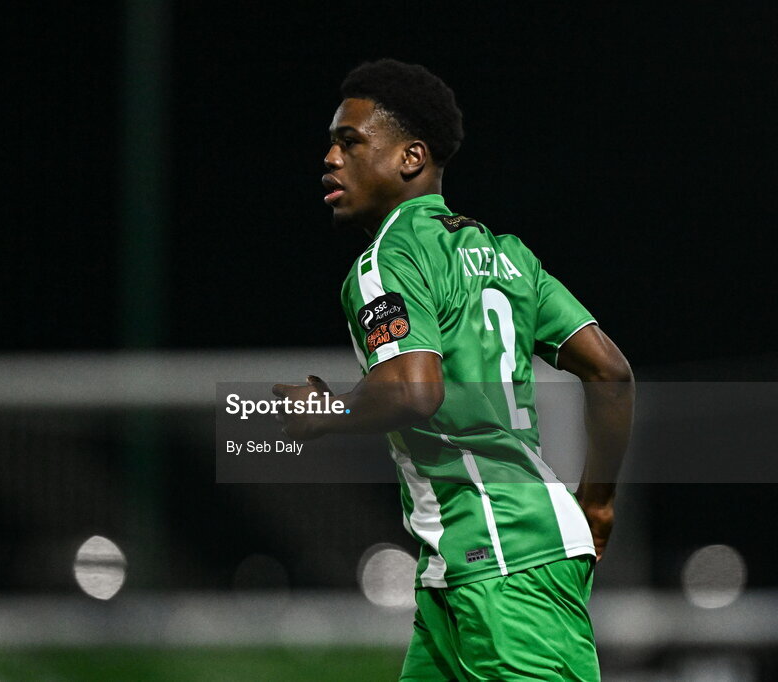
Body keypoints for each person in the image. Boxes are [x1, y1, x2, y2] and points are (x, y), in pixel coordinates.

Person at [272, 59, 634, 681]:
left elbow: (415, 390)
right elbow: (611, 372)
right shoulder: (507, 256)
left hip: (503, 563)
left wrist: (325, 410)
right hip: (463, 566)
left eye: (349, 141)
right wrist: (596, 504)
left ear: (411, 158)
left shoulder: (389, 257)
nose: (329, 158)